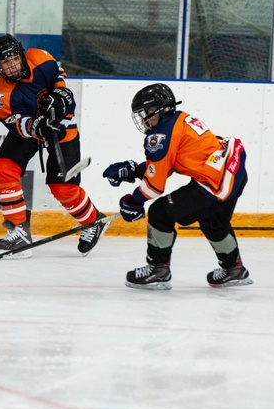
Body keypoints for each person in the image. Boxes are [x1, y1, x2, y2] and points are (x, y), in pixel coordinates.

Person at [102, 83, 252, 290]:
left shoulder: (161, 134)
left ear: (159, 109)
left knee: (160, 213)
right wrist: (135, 170)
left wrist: (134, 201)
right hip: (232, 173)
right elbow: (169, 162)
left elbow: (154, 186)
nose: (143, 119)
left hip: (215, 182)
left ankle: (158, 270)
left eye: (145, 113)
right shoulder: (179, 119)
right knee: (213, 220)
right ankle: (234, 269)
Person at [0, 34, 109, 257]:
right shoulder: (0, 95)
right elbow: (15, 123)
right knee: (4, 167)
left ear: (22, 56)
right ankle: (19, 230)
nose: (12, 65)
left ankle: (94, 221)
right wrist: (35, 126)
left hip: (60, 125)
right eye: (5, 62)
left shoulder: (40, 58)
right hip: (30, 128)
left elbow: (58, 76)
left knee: (63, 187)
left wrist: (61, 93)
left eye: (14, 58)